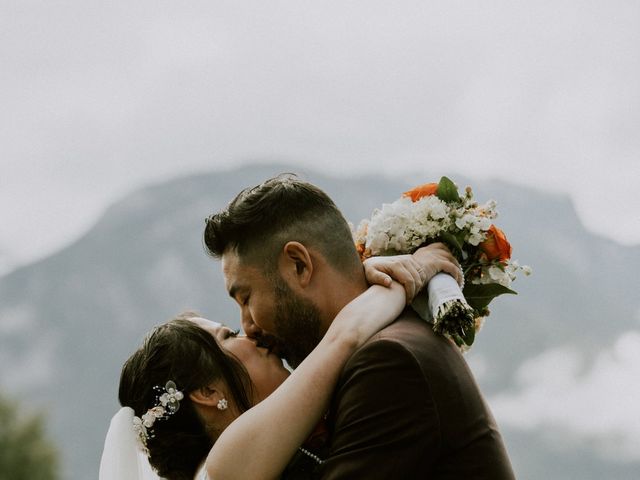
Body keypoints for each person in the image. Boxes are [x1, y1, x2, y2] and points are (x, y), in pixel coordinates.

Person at [203, 174, 515, 479]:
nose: (247, 326)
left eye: (246, 298)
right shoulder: (377, 348)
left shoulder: (387, 361)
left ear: (299, 264)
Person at [100, 244, 459, 479]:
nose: (251, 335)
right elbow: (344, 337)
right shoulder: (223, 464)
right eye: (228, 337)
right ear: (208, 391)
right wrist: (415, 268)